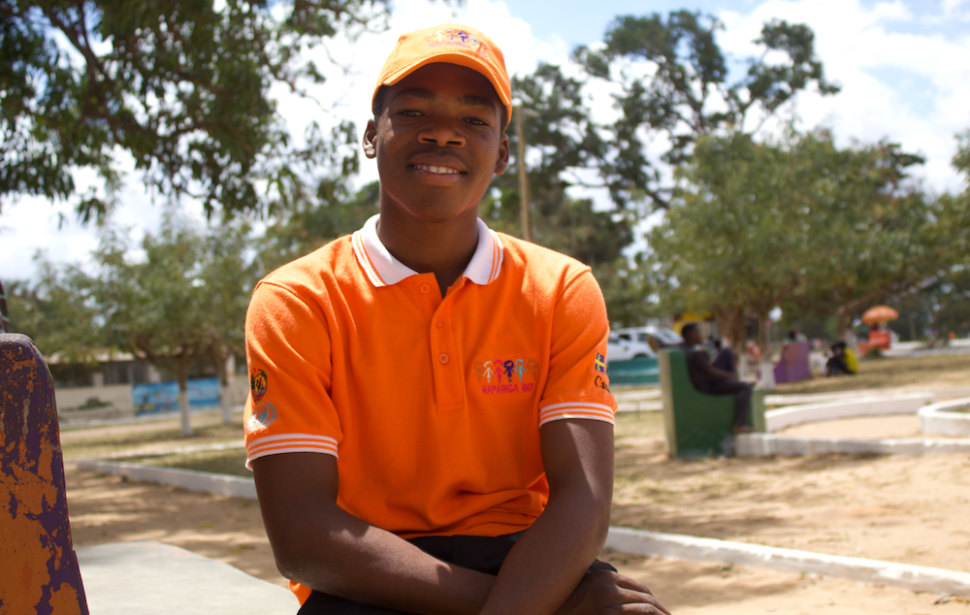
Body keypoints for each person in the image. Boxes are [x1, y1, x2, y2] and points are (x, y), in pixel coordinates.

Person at [242, 23, 669, 615]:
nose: (442, 132)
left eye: (474, 120)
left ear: (503, 153)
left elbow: (584, 499)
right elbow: (303, 537)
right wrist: (533, 610)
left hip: (525, 557)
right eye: (413, 110)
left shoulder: (560, 289)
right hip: (371, 577)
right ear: (371, 136)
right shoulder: (298, 300)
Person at [680, 323, 753, 434]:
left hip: (709, 381)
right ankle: (740, 424)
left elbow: (707, 369)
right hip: (708, 386)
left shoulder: (689, 350)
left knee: (727, 352)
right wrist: (730, 376)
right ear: (691, 335)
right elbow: (710, 372)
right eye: (698, 332)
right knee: (745, 388)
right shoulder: (693, 353)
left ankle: (733, 381)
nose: (701, 335)